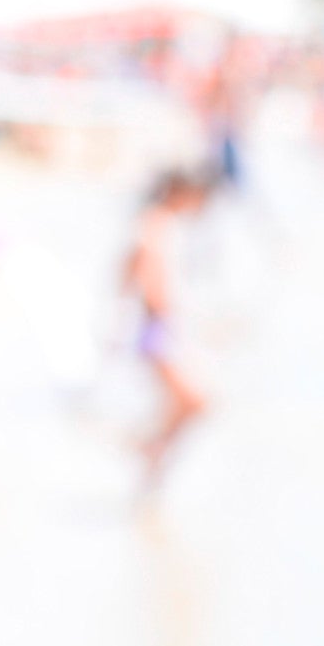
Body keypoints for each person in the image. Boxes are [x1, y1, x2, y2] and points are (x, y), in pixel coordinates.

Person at [122, 169, 214, 483]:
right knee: (195, 401)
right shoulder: (156, 224)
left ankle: (151, 459)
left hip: (162, 326)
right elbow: (146, 275)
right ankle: (148, 451)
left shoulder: (162, 224)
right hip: (158, 329)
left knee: (187, 403)